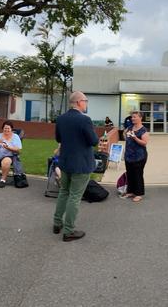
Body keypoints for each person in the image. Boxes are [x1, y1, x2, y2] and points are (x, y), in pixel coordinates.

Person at [52, 91, 99, 242]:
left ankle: (57, 223)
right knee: (74, 196)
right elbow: (93, 141)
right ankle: (69, 230)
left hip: (65, 162)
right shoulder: (84, 120)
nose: (86, 104)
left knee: (64, 192)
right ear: (79, 102)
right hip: (81, 164)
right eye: (85, 101)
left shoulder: (61, 119)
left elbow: (58, 138)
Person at [122, 111, 149, 203]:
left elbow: (144, 143)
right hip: (129, 156)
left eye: (134, 117)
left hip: (139, 156)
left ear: (140, 118)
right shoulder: (130, 127)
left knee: (138, 174)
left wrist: (135, 138)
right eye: (132, 117)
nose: (132, 118)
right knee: (130, 174)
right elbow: (125, 136)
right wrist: (125, 135)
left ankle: (138, 194)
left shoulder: (143, 130)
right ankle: (131, 191)